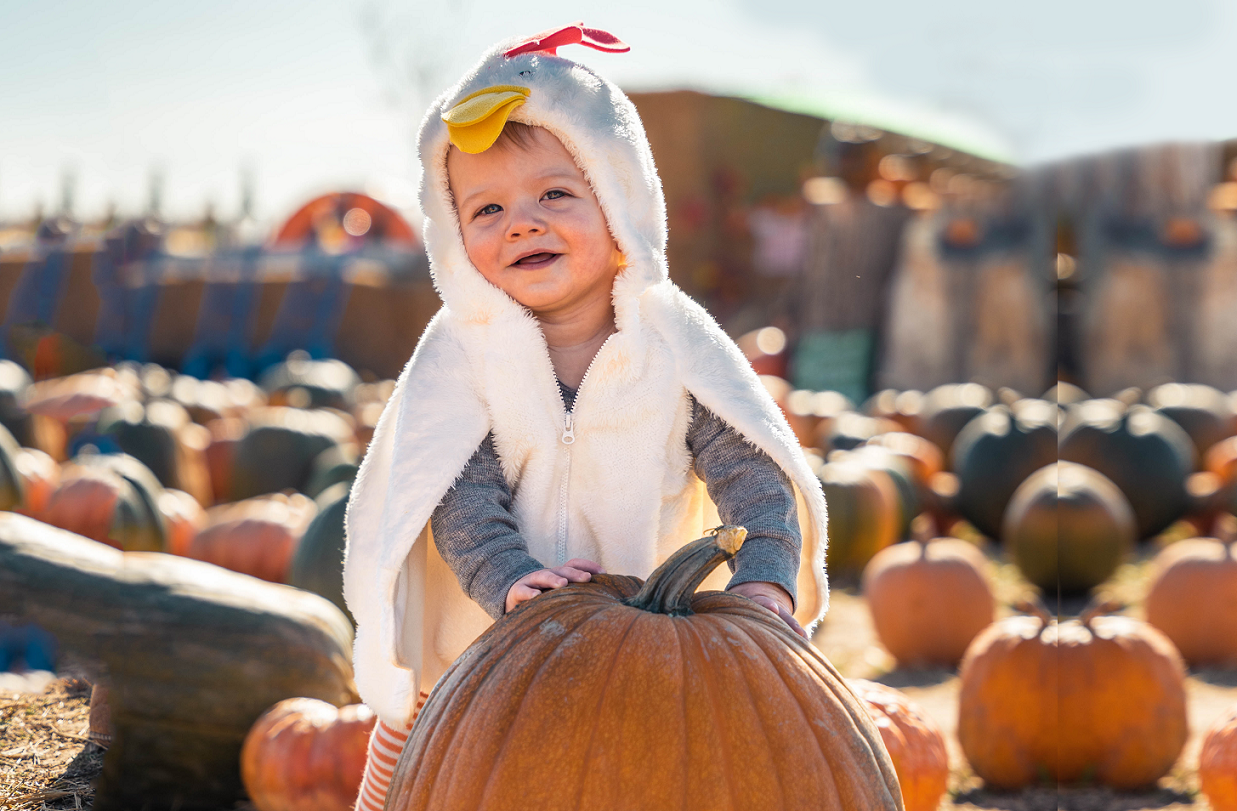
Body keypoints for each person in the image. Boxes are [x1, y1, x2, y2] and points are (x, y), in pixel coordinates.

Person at [343, 24, 829, 810]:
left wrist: (765, 577)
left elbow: (751, 471)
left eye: (555, 195)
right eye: (487, 207)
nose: (521, 223)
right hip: (488, 647)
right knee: (422, 759)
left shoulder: (671, 348)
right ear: (454, 232)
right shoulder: (466, 359)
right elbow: (453, 493)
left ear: (620, 206)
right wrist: (508, 580)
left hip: (642, 649)